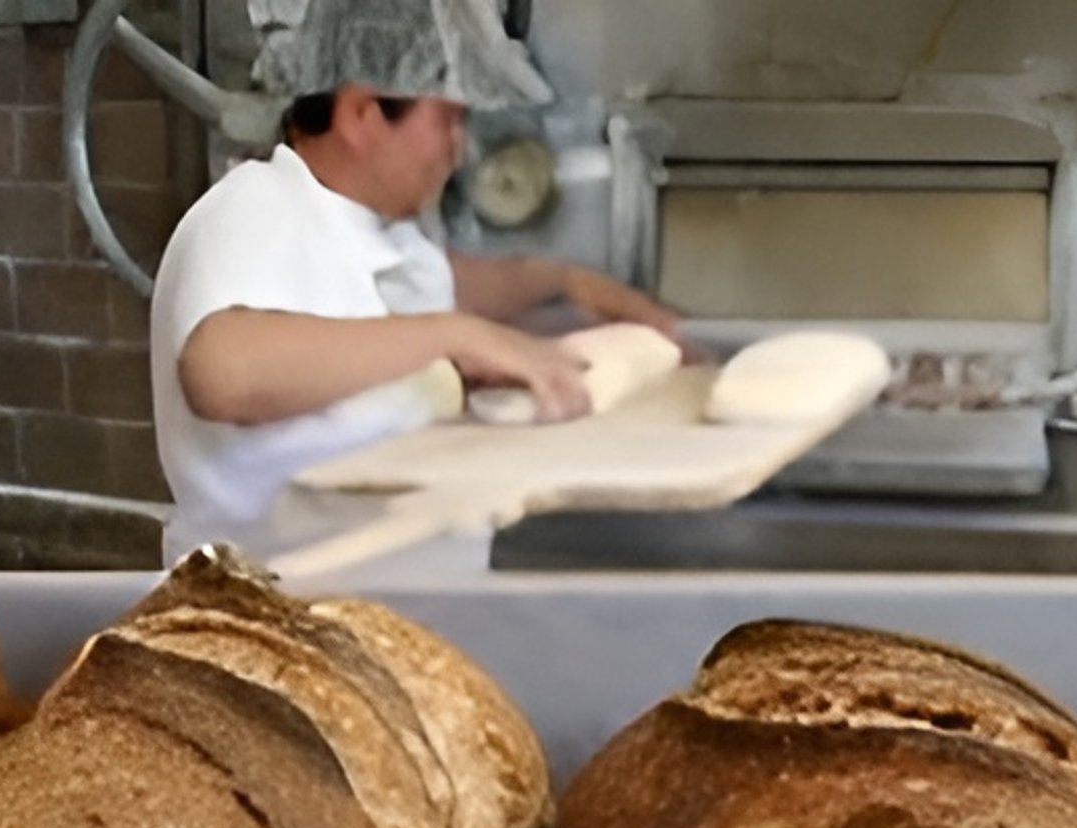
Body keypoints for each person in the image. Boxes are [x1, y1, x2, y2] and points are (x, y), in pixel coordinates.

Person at [146, 0, 681, 556]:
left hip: (390, 603)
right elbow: (222, 371)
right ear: (361, 114)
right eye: (447, 119)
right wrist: (461, 336)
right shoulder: (254, 210)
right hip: (272, 614)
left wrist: (568, 283)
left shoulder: (365, 228)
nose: (459, 148)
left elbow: (438, 286)